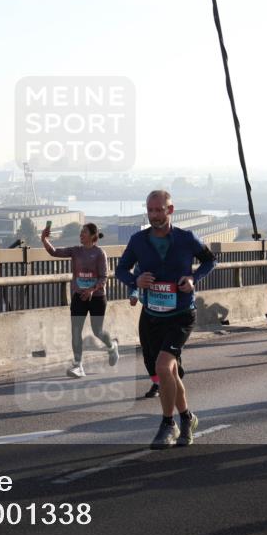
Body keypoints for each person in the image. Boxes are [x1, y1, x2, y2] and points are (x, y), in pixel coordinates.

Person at [115, 190, 216, 449]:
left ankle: (167, 424)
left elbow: (210, 261)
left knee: (163, 366)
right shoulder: (138, 240)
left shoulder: (186, 238)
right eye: (150, 210)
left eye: (160, 210)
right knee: (167, 371)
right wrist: (134, 281)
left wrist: (194, 279)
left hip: (181, 314)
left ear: (170, 210)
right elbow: (120, 269)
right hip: (151, 316)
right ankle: (187, 418)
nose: (154, 215)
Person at [41, 222, 119, 378]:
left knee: (97, 330)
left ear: (92, 236)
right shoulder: (75, 251)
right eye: (80, 232)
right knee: (76, 330)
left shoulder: (99, 253)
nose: (80, 234)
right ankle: (78, 365)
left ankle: (112, 346)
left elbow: (104, 277)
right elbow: (54, 252)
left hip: (96, 297)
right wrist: (44, 239)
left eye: (84, 232)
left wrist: (91, 290)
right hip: (78, 296)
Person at [128, 269, 161, 398]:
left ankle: (172, 377)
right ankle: (157, 382)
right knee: (147, 348)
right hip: (148, 308)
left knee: (166, 349)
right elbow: (135, 279)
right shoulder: (144, 255)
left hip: (171, 311)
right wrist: (134, 294)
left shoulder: (174, 254)